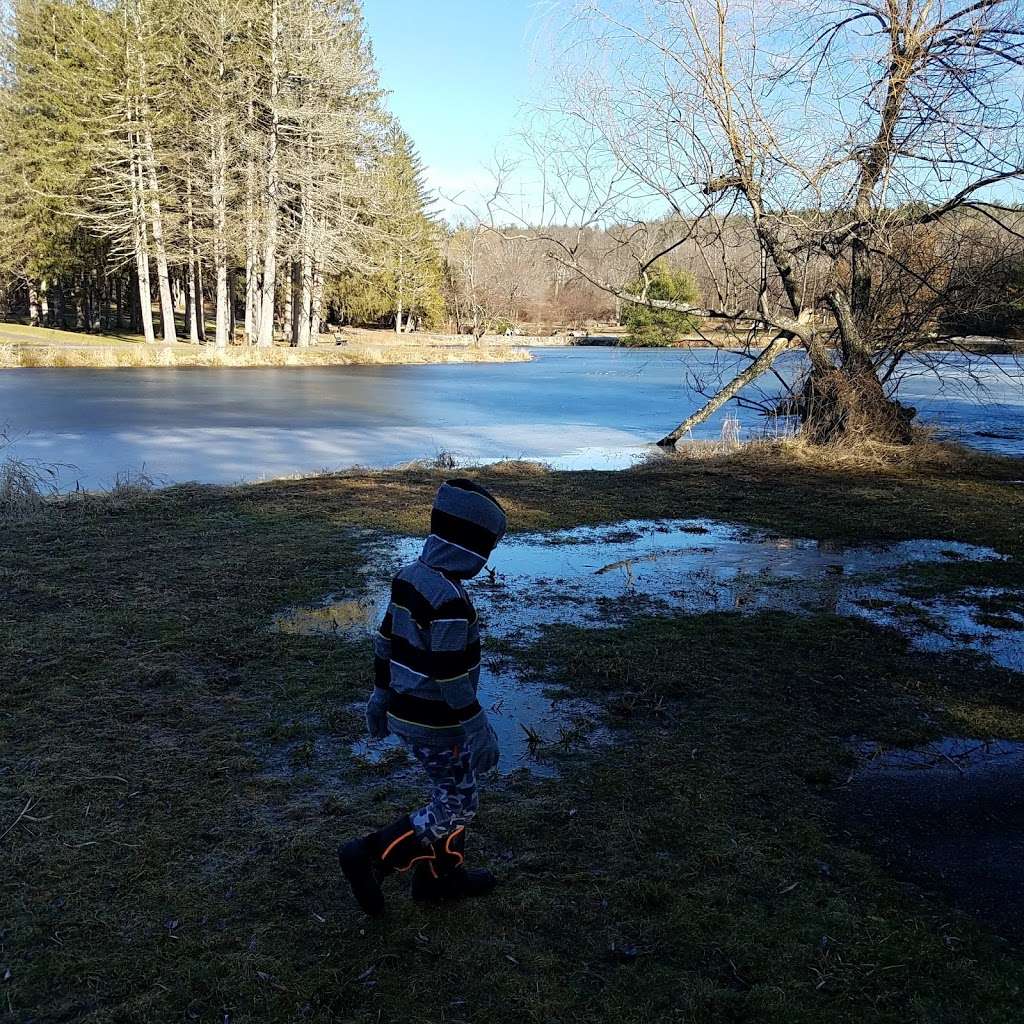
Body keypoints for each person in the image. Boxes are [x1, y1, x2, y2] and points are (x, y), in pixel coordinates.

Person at [339, 478, 507, 916]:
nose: (487, 560)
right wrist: (479, 728)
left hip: (408, 712)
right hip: (438, 721)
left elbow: (384, 640)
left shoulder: (409, 576)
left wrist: (379, 696)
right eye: (487, 549)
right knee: (456, 804)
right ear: (469, 547)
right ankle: (373, 855)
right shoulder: (450, 600)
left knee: (450, 788)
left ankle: (441, 878)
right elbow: (450, 676)